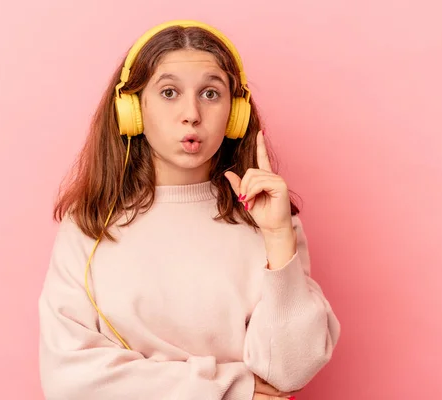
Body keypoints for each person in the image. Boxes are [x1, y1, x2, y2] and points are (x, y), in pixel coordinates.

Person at [38, 20, 340, 400]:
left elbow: (289, 371)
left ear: (235, 115)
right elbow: (68, 381)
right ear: (132, 108)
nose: (191, 114)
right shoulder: (89, 225)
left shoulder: (271, 221)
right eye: (168, 92)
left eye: (211, 94)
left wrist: (279, 236)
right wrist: (230, 389)